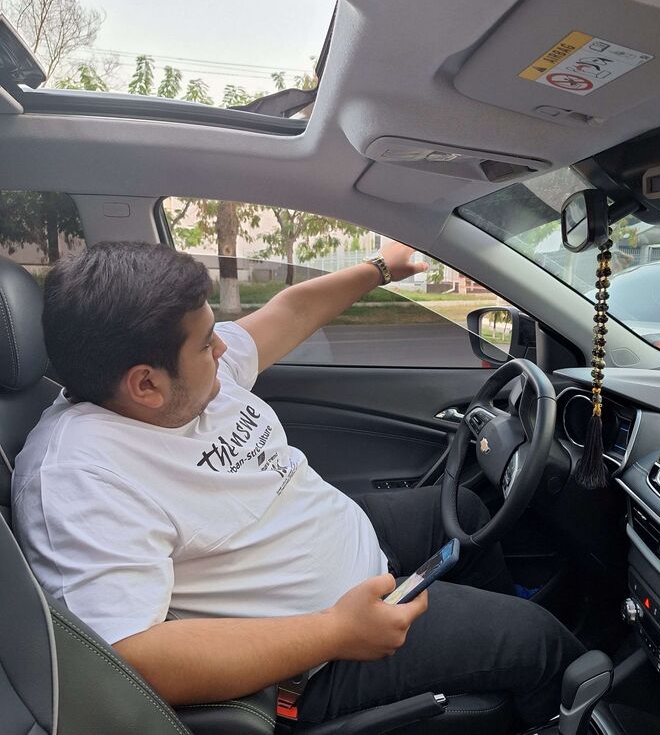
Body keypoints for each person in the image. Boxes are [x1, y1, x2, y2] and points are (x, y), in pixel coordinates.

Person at [12, 240, 584, 727]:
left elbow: (291, 311)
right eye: (206, 342)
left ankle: (494, 675)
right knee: (539, 643)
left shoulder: (182, 378)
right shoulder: (78, 476)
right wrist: (335, 632)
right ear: (145, 385)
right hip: (314, 662)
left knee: (464, 510)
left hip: (349, 556)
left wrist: (383, 267)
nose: (223, 346)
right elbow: (132, 658)